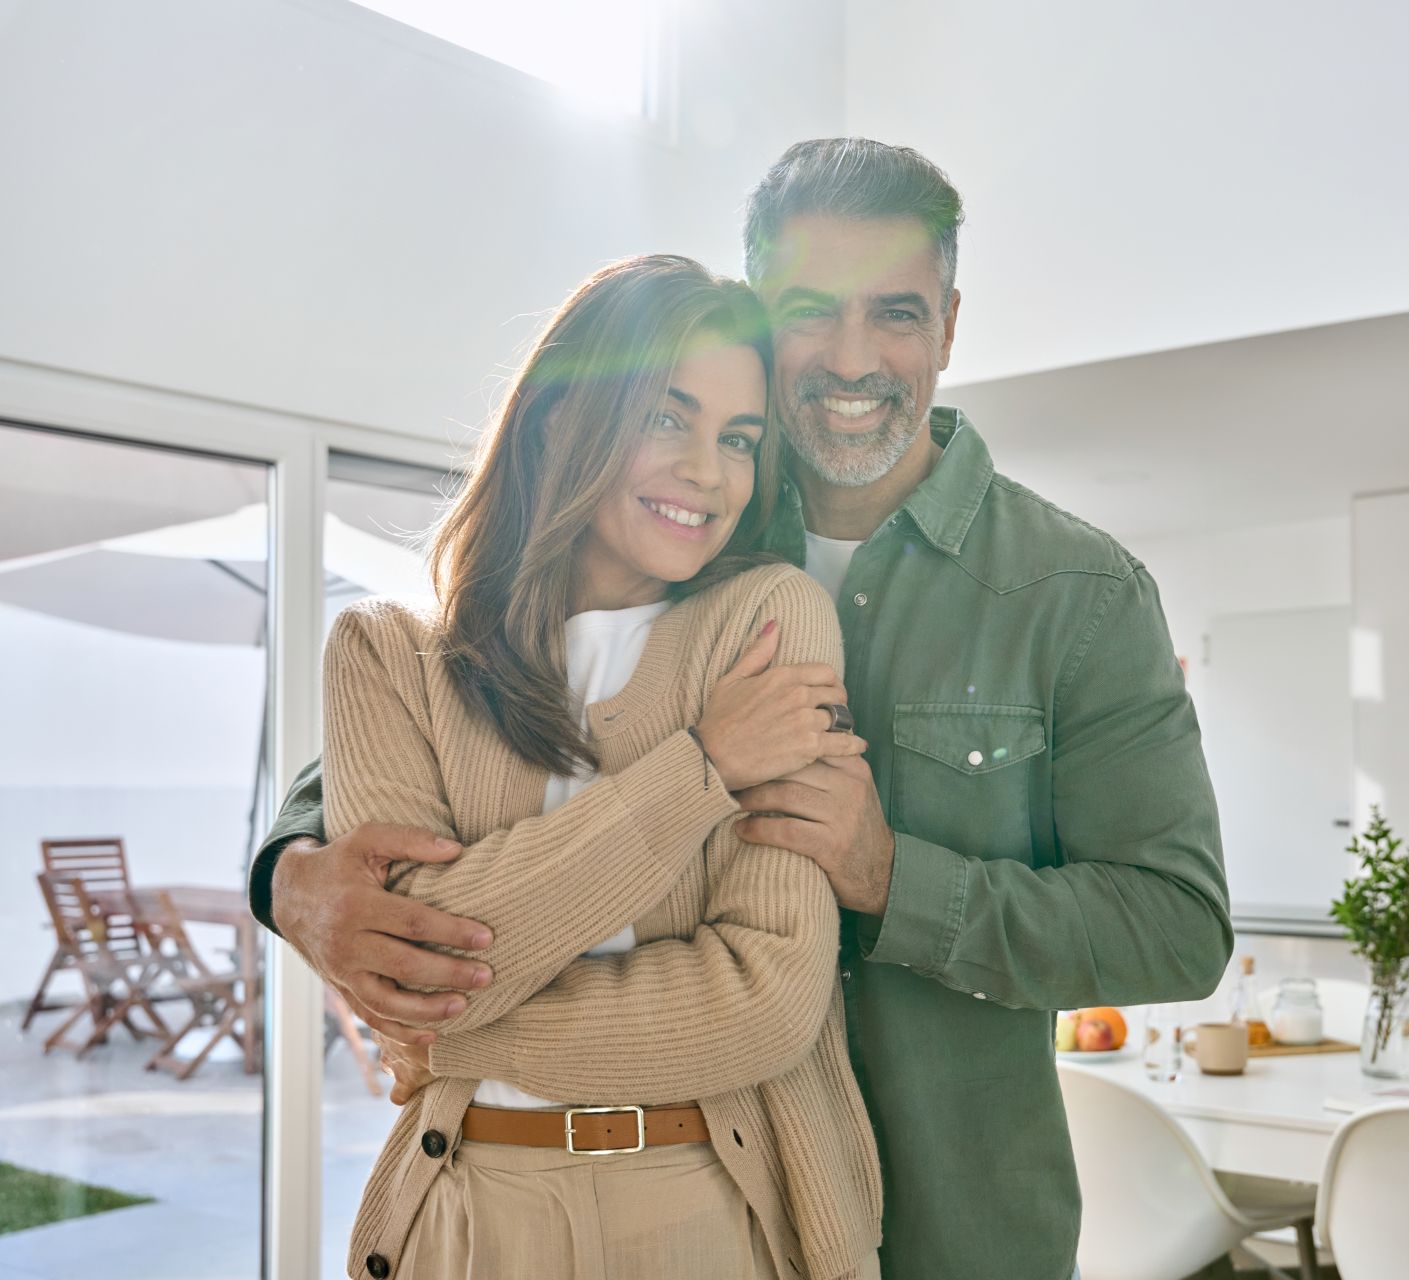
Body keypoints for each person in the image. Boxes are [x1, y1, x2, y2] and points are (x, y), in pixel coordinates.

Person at [255, 141, 1231, 1280]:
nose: (854, 358)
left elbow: (1178, 924)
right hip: (707, 1207)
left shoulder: (1074, 592)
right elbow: (426, 738)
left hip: (962, 1227)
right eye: (811, 311)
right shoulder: (678, 521)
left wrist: (892, 876)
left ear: (951, 328)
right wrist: (283, 873)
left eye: (899, 314)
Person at [316, 254, 882, 1280]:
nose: (710, 473)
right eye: (667, 417)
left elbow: (763, 999)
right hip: (469, 1216)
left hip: (709, 1202)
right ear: (554, 420)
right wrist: (703, 767)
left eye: (738, 439)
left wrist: (455, 1041)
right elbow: (413, 951)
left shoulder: (769, 621)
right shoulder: (385, 655)